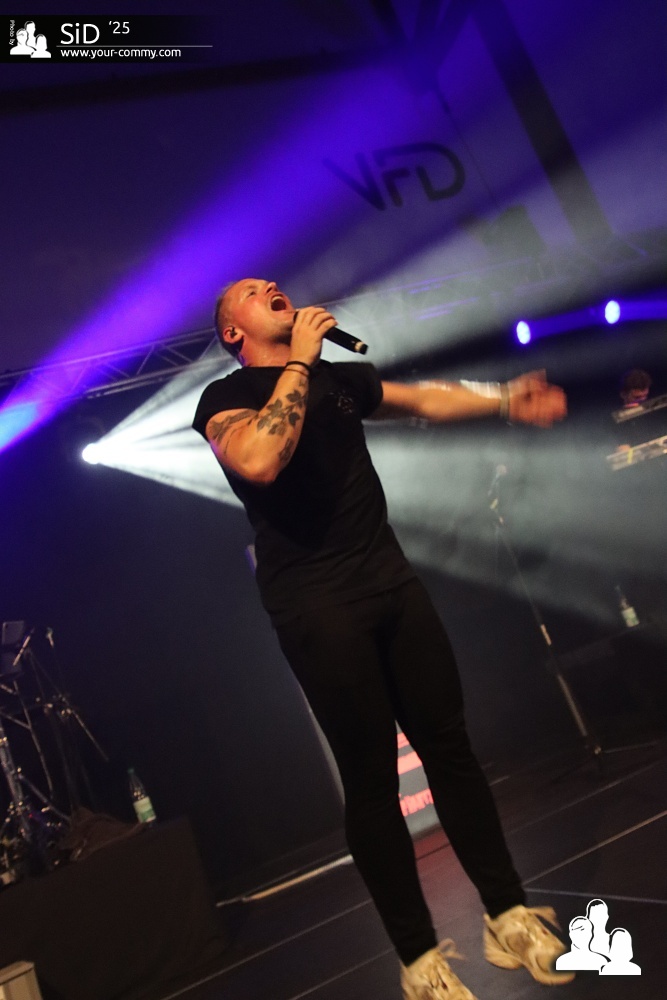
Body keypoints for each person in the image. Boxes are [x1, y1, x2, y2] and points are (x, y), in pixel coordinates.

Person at [193, 278, 571, 1000]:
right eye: (252, 292)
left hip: (391, 584)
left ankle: (507, 916)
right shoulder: (224, 400)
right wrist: (299, 364)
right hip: (317, 606)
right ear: (233, 333)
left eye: (273, 283)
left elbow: (423, 398)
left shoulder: (336, 379)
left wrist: (502, 398)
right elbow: (260, 460)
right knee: (371, 783)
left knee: (450, 749)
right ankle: (419, 960)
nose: (272, 287)